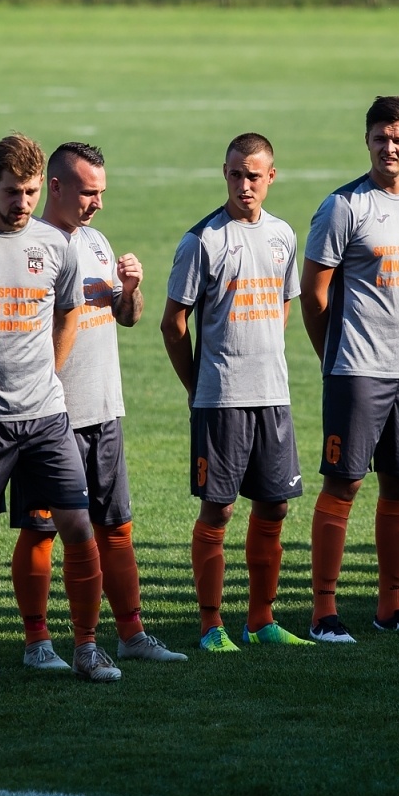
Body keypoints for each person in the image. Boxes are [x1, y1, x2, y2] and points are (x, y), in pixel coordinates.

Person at [0, 134, 120, 686]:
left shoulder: (57, 245)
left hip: (46, 416)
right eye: (13, 191)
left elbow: (69, 311)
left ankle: (88, 648)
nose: (23, 202)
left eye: (31, 191)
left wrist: (51, 369)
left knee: (78, 527)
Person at [8, 142, 186, 667]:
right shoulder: (28, 248)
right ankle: (38, 643)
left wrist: (130, 290)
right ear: (55, 188)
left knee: (115, 527)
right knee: (41, 531)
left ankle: (131, 635)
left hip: (104, 410)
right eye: (89, 192)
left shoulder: (98, 242)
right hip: (48, 417)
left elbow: (126, 317)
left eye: (102, 193)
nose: (98, 204)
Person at [162, 132, 314, 651]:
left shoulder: (283, 236)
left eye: (254, 176)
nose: (244, 185)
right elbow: (173, 324)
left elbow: (283, 306)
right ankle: (210, 626)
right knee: (219, 510)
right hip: (220, 400)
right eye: (235, 175)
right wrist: (196, 385)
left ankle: (261, 620)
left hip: (272, 396)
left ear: (271, 176)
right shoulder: (202, 240)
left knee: (274, 507)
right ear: (223, 174)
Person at [301, 96, 399, 642]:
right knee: (343, 486)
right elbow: (314, 294)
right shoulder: (343, 207)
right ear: (367, 141)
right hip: (356, 371)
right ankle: (323, 613)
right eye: (380, 138)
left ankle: (391, 608)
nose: (389, 148)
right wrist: (333, 359)